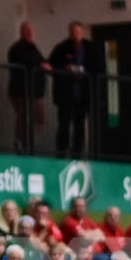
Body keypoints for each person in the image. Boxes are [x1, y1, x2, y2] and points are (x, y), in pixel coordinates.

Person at [48, 21, 104, 158]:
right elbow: (51, 64)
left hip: (83, 93)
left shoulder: (90, 48)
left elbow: (98, 68)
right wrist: (66, 68)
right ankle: (61, 152)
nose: (75, 35)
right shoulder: (62, 47)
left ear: (82, 33)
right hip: (66, 93)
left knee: (80, 125)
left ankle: (77, 153)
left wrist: (84, 72)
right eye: (73, 32)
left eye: (78, 32)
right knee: (64, 124)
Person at [7, 21, 49, 153]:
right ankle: (21, 144)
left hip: (35, 92)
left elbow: (41, 62)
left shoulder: (34, 48)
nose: (30, 34)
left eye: (31, 31)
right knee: (24, 117)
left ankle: (29, 143)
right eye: (27, 31)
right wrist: (40, 65)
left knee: (39, 119)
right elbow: (25, 62)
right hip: (21, 91)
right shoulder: (17, 48)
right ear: (22, 33)